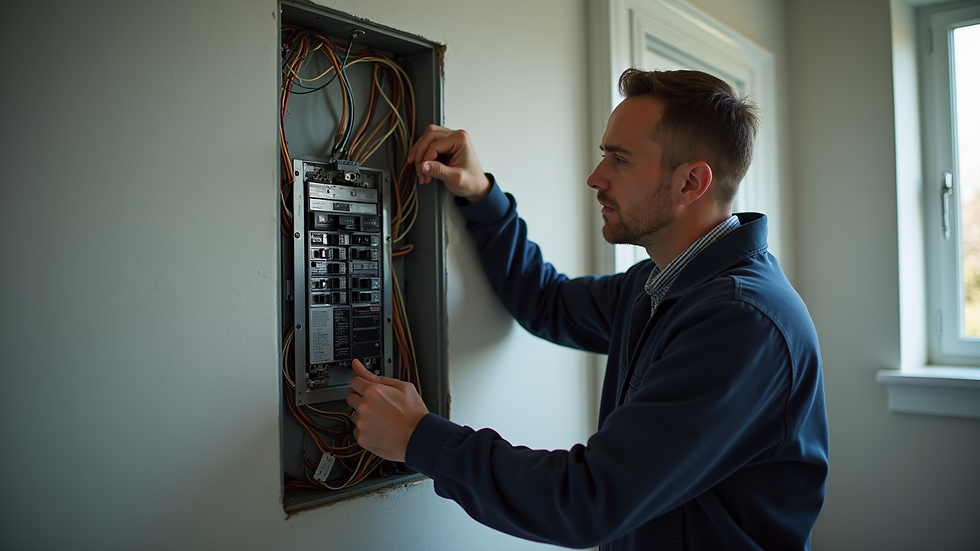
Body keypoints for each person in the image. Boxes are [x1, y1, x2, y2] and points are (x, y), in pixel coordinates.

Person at [346, 68, 828, 550]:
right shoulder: (660, 283)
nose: (595, 178)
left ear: (691, 182)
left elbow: (589, 500)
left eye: (620, 159)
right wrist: (481, 193)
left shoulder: (741, 323)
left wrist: (420, 438)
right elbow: (545, 301)